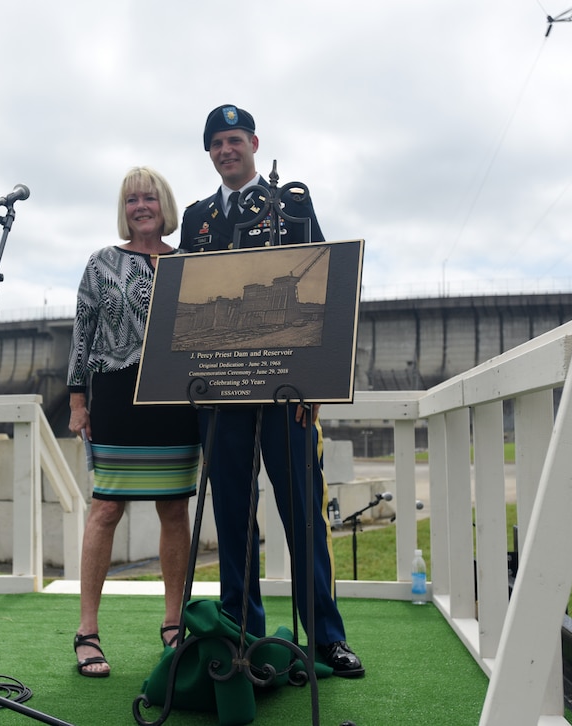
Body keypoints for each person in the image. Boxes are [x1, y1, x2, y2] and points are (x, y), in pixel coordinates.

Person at [179, 105, 364, 677]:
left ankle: (327, 636)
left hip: (287, 389)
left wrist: (317, 385)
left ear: (254, 142)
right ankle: (242, 632)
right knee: (233, 514)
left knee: (302, 512)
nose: (226, 150)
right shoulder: (196, 217)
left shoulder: (293, 204)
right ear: (209, 153)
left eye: (234, 139)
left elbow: (329, 285)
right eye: (216, 143)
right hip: (223, 392)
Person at [68, 166, 200, 678]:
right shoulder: (101, 263)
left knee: (174, 509)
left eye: (148, 198)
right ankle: (87, 631)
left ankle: (172, 621)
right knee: (105, 510)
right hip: (118, 395)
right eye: (130, 201)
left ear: (164, 204)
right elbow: (82, 334)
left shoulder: (191, 263)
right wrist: (78, 401)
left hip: (176, 397)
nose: (140, 207)